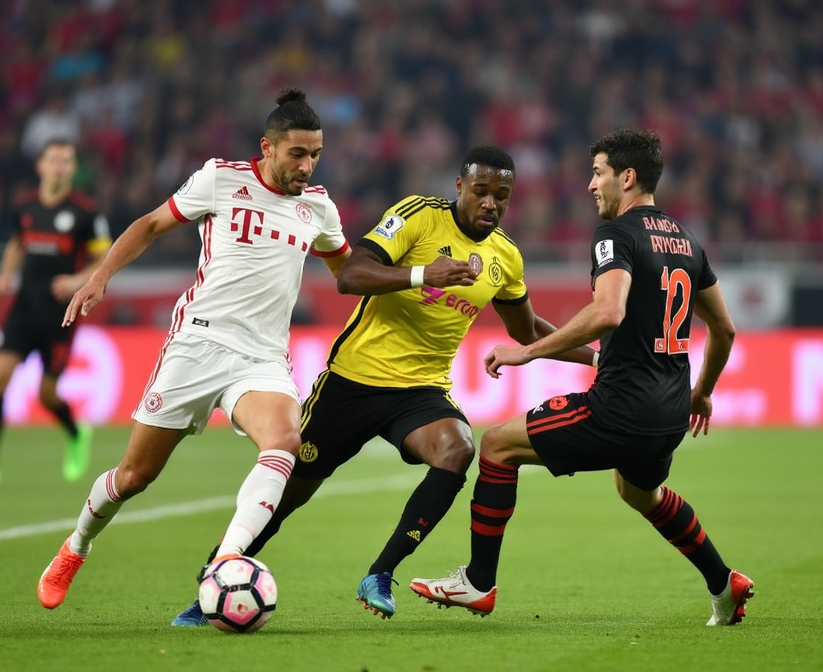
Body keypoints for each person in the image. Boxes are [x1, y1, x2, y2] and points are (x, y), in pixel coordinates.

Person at [172, 145, 599, 626]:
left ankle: (380, 574)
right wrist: (423, 274)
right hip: (352, 382)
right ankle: (212, 586)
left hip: (420, 392)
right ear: (459, 187)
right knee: (287, 496)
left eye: (502, 195)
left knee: (457, 449)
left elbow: (527, 332)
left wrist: (599, 357)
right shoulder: (417, 216)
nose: (490, 204)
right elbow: (350, 276)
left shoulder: (505, 257)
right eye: (481, 191)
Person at [409, 129, 754, 627]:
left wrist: (528, 351)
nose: (591, 186)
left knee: (497, 446)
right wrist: (702, 393)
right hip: (671, 411)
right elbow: (724, 328)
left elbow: (608, 311)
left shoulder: (616, 235)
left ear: (627, 177)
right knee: (639, 493)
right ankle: (724, 583)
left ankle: (478, 583)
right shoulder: (686, 239)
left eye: (598, 173)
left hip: (621, 408)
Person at [36, 87, 351, 610]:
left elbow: (349, 274)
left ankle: (226, 562)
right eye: (298, 153)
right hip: (199, 342)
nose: (308, 165)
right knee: (135, 476)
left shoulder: (319, 208)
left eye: (316, 154)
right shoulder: (221, 179)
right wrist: (101, 276)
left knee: (284, 443)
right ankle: (76, 546)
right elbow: (151, 224)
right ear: (267, 147)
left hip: (263, 357)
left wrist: (410, 285)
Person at [0, 139, 111, 489]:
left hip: (61, 316)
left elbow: (103, 257)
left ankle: (76, 433)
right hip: (23, 309)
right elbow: (16, 243)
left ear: (72, 169)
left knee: (47, 395)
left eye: (67, 160)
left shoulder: (87, 212)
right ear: (40, 166)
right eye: (54, 159)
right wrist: (6, 272)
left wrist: (75, 280)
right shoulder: (23, 205)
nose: (60, 165)